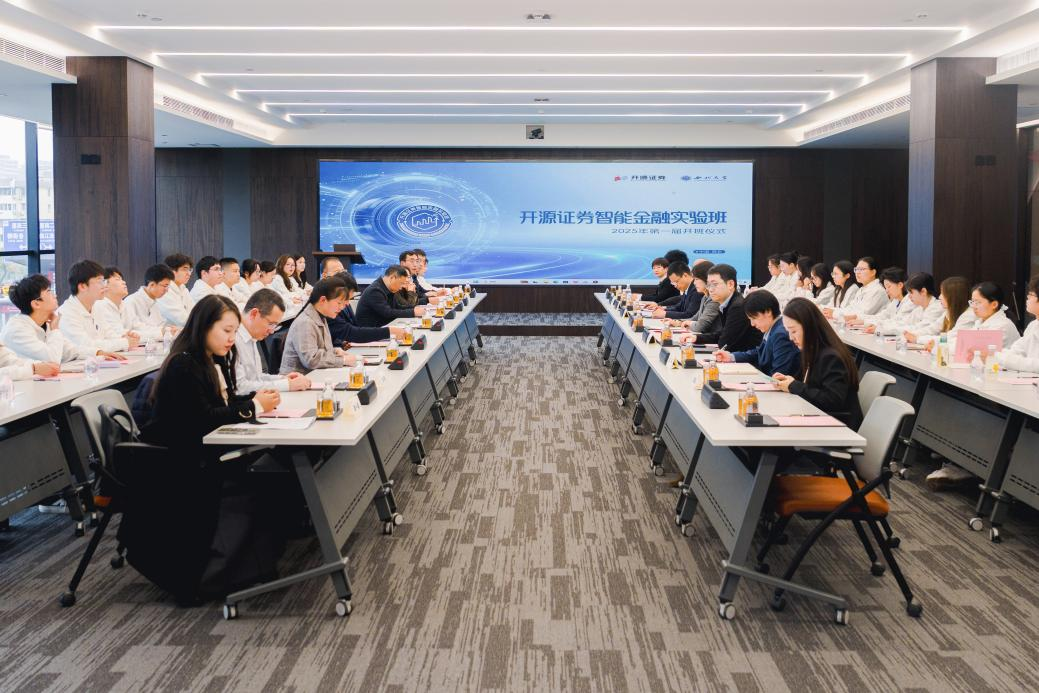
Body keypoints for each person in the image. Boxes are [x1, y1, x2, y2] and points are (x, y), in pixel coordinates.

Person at [126, 294, 283, 605]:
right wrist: (252, 407)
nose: (231, 338)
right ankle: (229, 571)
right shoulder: (184, 365)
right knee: (266, 475)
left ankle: (257, 562)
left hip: (200, 452)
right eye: (226, 331)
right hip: (183, 462)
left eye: (234, 331)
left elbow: (221, 404)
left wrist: (254, 403)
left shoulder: (212, 359)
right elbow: (202, 419)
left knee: (271, 465)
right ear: (204, 327)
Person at [773, 297, 863, 428]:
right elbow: (810, 385)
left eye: (794, 331)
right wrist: (788, 381)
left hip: (836, 427)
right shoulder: (812, 350)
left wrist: (794, 386)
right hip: (819, 420)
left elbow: (832, 401)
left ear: (809, 327)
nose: (791, 337)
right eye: (788, 332)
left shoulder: (831, 357)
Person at [2, 274, 117, 364]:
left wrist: (97, 352)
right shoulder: (17, 330)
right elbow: (52, 359)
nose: (55, 295)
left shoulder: (44, 323)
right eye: (49, 292)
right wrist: (55, 330)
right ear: (36, 303)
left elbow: (70, 351)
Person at [234, 289, 312, 393]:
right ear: (254, 314)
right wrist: (287, 385)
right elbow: (240, 387)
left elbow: (256, 378)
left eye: (275, 325)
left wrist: (283, 379)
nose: (271, 331)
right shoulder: (233, 339)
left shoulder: (251, 336)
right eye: (271, 324)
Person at [280, 276, 359, 373]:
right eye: (339, 303)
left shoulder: (321, 317)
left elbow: (318, 350)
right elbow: (311, 360)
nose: (342, 307)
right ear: (323, 300)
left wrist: (334, 351)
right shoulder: (305, 322)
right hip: (298, 379)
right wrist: (343, 360)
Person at [713, 290, 799, 377]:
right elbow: (759, 352)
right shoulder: (773, 328)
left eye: (754, 318)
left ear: (768, 312)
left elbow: (778, 375)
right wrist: (731, 356)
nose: (752, 324)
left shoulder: (780, 334)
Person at [57, 260, 137, 354]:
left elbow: (109, 334)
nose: (105, 286)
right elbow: (86, 345)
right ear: (82, 286)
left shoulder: (97, 306)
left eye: (104, 281)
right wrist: (124, 342)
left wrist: (123, 337)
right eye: (100, 281)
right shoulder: (66, 313)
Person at [681, 263, 761, 352]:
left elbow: (724, 342)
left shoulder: (738, 306)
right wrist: (697, 338)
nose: (710, 289)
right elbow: (722, 333)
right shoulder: (727, 303)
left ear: (730, 284)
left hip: (746, 358)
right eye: (708, 285)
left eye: (714, 284)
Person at [327, 272, 406, 347]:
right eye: (345, 299)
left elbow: (351, 328)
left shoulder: (344, 304)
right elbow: (349, 332)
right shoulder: (375, 290)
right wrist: (388, 331)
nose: (347, 303)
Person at [865, 271, 944, 337]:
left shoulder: (936, 308)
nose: (909, 296)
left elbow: (920, 329)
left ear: (923, 291)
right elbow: (903, 322)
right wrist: (880, 327)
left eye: (911, 292)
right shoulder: (919, 309)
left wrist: (884, 330)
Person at [904, 276, 973, 344]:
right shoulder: (948, 312)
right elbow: (933, 328)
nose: (939, 297)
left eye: (943, 294)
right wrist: (911, 335)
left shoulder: (968, 316)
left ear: (954, 297)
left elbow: (948, 338)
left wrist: (918, 339)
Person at [354, 265, 426, 328]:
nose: (401, 287)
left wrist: (414, 309)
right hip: (370, 331)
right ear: (392, 278)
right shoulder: (375, 291)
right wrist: (412, 312)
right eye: (401, 283)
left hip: (382, 327)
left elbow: (398, 307)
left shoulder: (389, 288)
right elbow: (388, 313)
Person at [995, 276, 1039, 373]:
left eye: (1031, 294)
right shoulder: (1033, 325)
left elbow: (1036, 365)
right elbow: (1015, 351)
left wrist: (1000, 358)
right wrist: (994, 354)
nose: (1027, 297)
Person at [124, 264, 177, 341]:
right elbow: (131, 332)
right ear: (152, 284)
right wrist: (161, 332)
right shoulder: (131, 301)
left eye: (168, 286)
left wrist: (169, 329)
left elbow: (160, 326)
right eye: (165, 286)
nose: (167, 290)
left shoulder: (155, 302)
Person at [960, 282, 1020, 348]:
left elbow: (981, 350)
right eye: (972, 302)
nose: (974, 306)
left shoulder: (1002, 326)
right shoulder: (980, 321)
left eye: (978, 302)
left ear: (994, 304)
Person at [92, 266, 143, 344]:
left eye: (122, 279)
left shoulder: (125, 304)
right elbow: (116, 333)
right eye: (118, 279)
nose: (124, 282)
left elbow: (138, 327)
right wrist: (127, 338)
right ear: (105, 284)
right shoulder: (100, 305)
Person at [674, 261, 719, 333]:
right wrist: (678, 322)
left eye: (696, 279)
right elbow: (696, 318)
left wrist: (688, 323)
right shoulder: (705, 297)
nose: (694, 283)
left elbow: (700, 327)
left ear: (707, 279)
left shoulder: (714, 299)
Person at [157, 253, 195, 327]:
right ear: (172, 271)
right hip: (166, 333)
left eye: (190, 270)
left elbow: (195, 312)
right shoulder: (165, 291)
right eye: (185, 269)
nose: (189, 273)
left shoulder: (184, 289)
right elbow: (183, 320)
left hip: (184, 330)